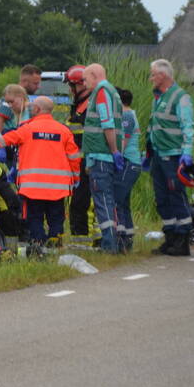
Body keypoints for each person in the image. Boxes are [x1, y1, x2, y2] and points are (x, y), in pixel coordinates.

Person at [0, 97, 80, 254]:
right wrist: (75, 178)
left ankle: (38, 247)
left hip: (33, 187)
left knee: (34, 217)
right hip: (57, 188)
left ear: (37, 109)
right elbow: (74, 158)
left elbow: (2, 139)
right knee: (56, 218)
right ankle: (55, 245)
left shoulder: (27, 129)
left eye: (32, 107)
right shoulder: (63, 131)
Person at [146, 58, 194, 257]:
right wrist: (148, 152)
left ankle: (183, 240)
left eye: (153, 75)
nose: (151, 78)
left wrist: (187, 152)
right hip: (158, 155)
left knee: (176, 195)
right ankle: (170, 238)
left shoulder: (181, 97)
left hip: (174, 156)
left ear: (163, 75)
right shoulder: (158, 98)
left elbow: (188, 126)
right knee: (161, 198)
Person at [81, 63, 124, 253]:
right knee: (108, 199)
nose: (84, 84)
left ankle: (109, 244)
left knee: (102, 200)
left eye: (85, 79)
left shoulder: (101, 92)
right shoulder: (113, 93)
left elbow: (107, 124)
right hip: (104, 155)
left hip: (101, 155)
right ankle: (115, 243)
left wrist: (114, 151)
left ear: (94, 74)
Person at [64, 64, 96, 247]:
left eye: (72, 86)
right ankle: (87, 240)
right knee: (79, 202)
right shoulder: (79, 106)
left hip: (86, 163)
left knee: (82, 202)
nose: (70, 90)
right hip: (78, 163)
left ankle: (84, 242)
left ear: (81, 85)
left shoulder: (89, 107)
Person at [115, 87, 142, 252]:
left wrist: (114, 155)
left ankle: (121, 240)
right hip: (131, 163)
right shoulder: (129, 114)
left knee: (117, 201)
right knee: (124, 203)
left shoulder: (126, 116)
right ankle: (127, 240)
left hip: (128, 163)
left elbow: (122, 144)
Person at [0, 65, 41, 133]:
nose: (38, 86)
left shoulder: (25, 97)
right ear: (25, 81)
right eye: (35, 83)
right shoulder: (11, 96)